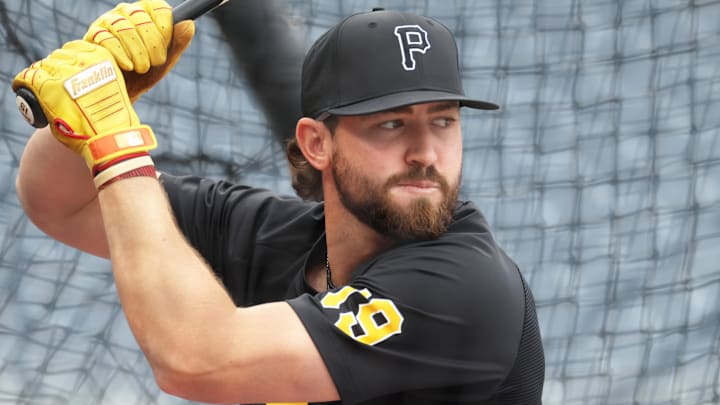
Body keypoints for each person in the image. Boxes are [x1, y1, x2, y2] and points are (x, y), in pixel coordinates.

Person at [12, 1, 545, 404]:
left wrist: (112, 143)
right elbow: (59, 200)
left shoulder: (465, 288)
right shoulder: (269, 237)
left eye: (444, 121)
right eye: (391, 124)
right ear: (317, 143)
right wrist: (102, 100)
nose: (426, 152)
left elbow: (196, 360)